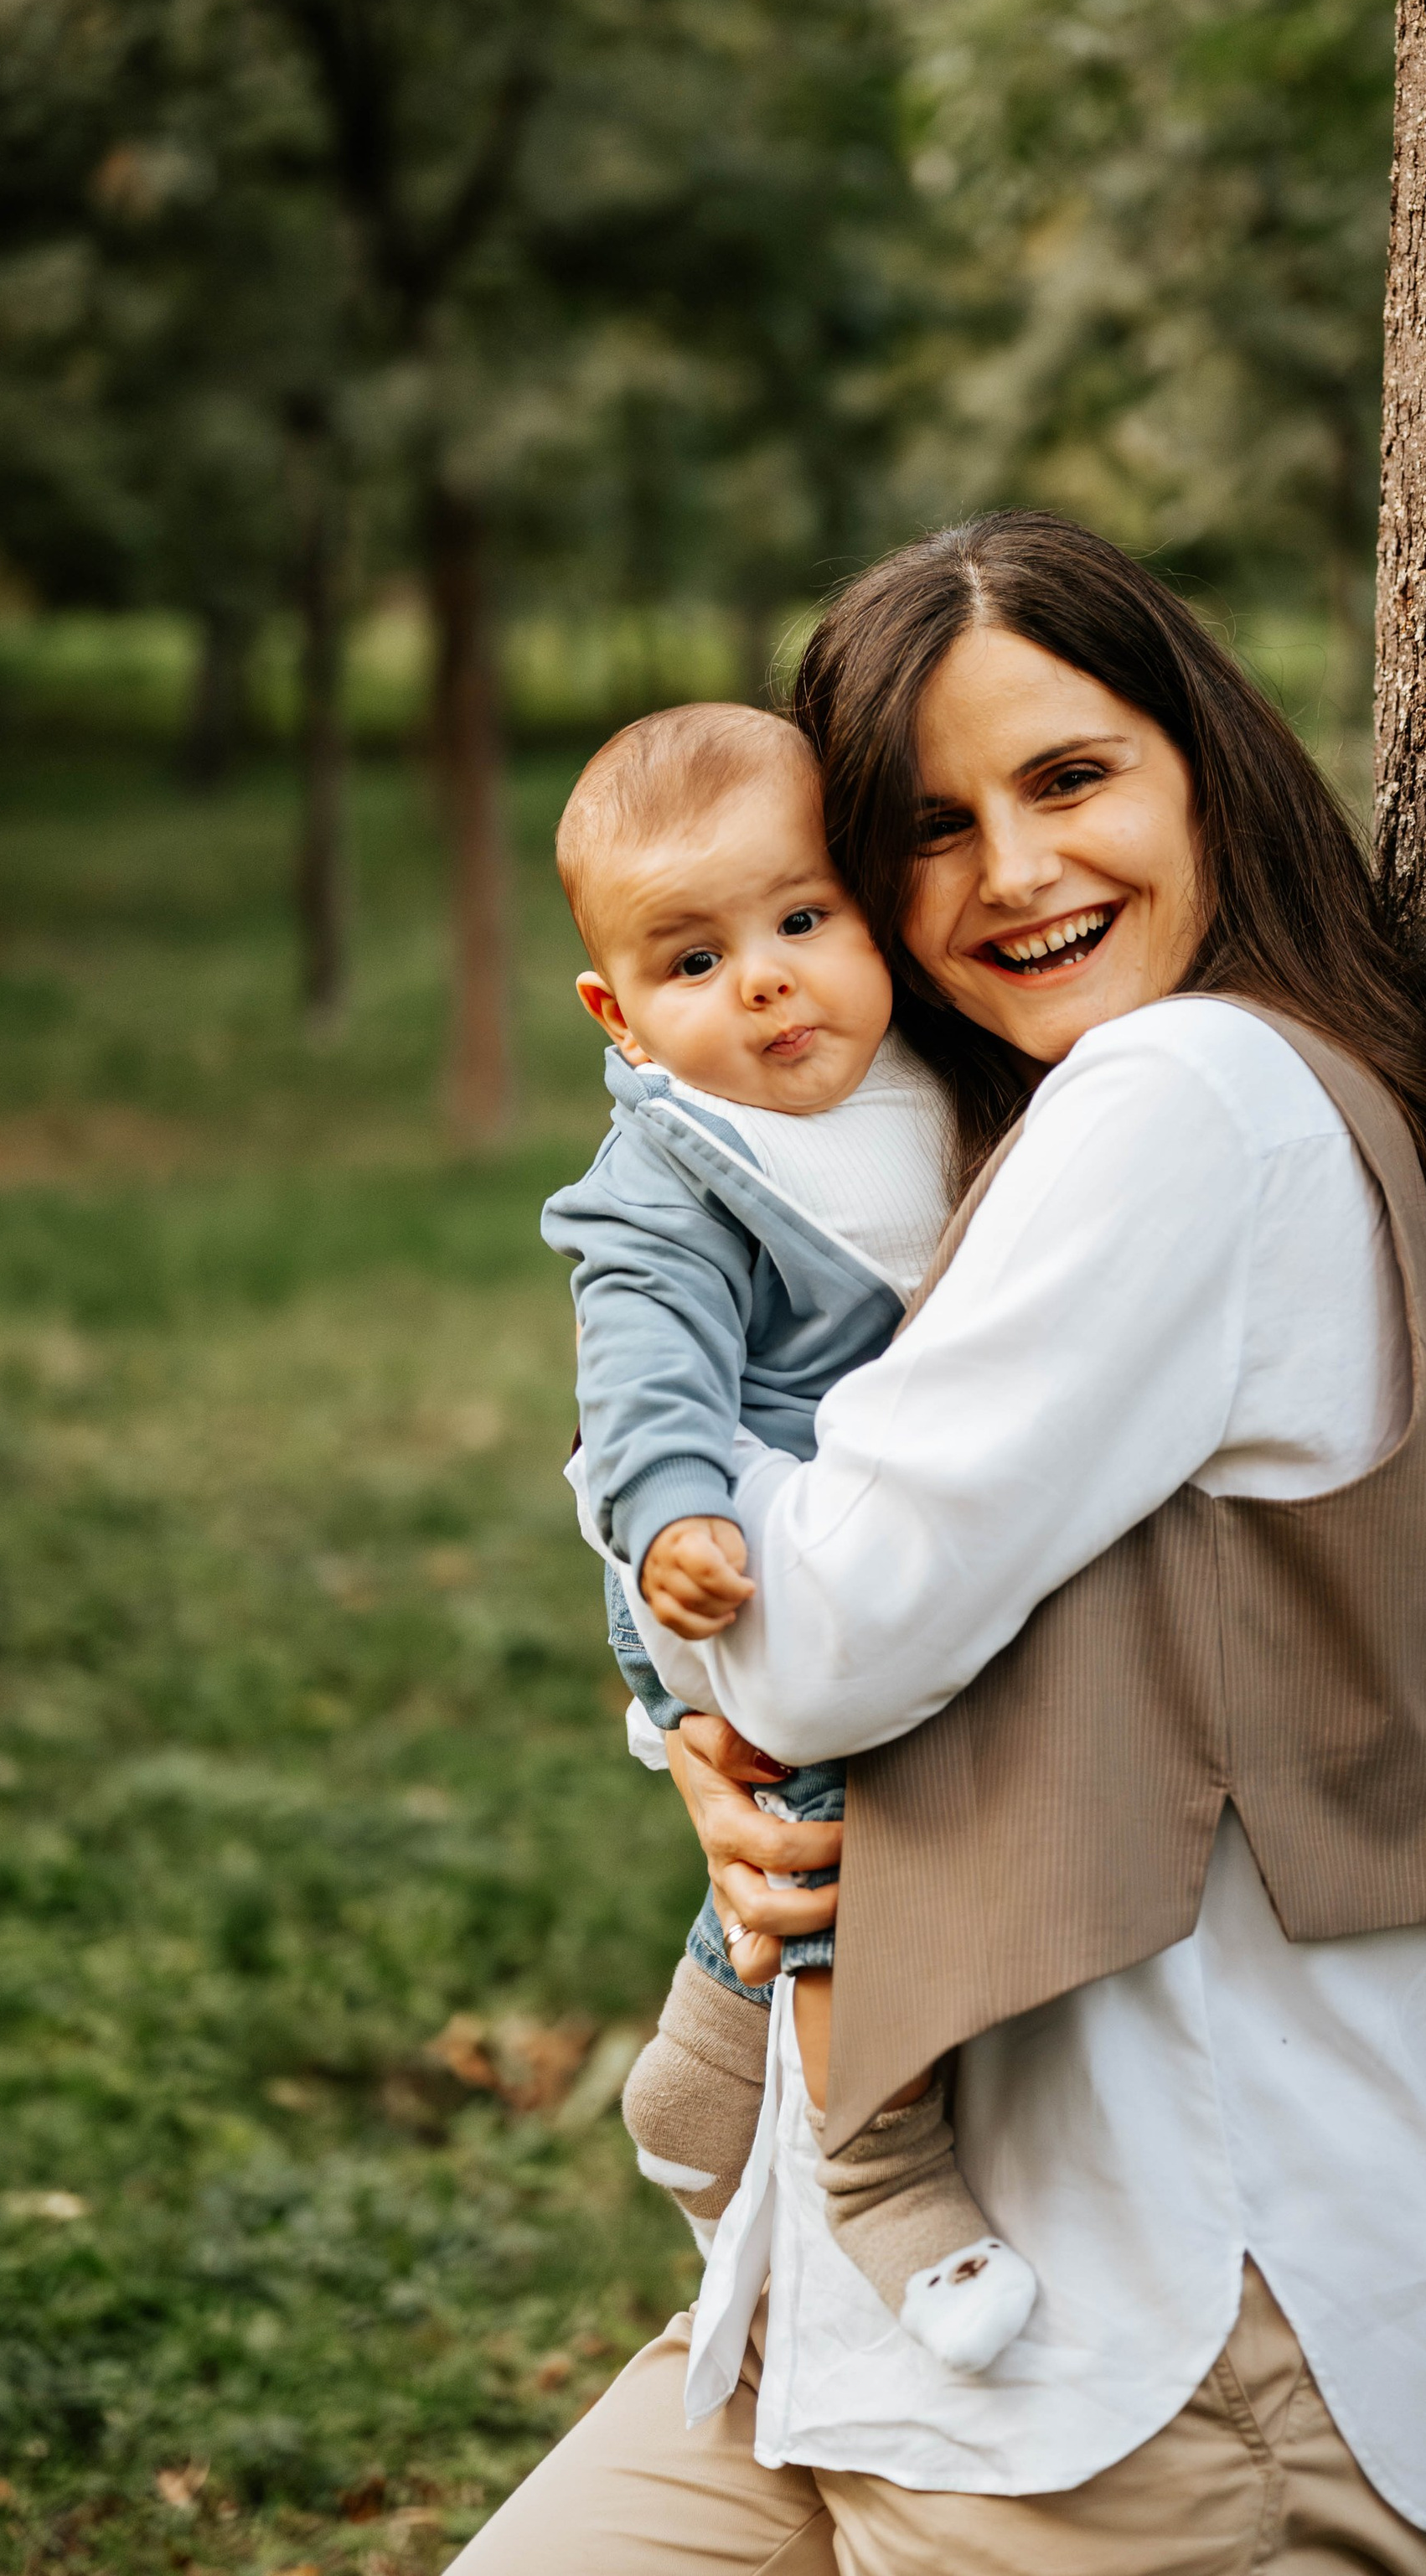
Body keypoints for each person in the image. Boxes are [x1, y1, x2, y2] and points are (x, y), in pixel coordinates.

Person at [452, 511, 1426, 2576]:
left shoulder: (1186, 1094)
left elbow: (822, 1632)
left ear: (1201, 766)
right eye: (929, 828)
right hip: (843, 2314)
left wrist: (664, 1552)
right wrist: (695, 1737)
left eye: (1070, 776)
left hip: (1143, 2328)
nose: (1015, 871)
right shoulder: (992, 1136)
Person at [541, 702, 1035, 2366]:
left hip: (868, 1523)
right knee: (840, 1819)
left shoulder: (929, 1063)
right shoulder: (675, 1173)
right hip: (732, 1553)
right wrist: (673, 1514)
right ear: (617, 1011)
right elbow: (642, 1368)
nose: (762, 982)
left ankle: (699, 2076)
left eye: (801, 921)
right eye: (693, 961)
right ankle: (876, 2158)